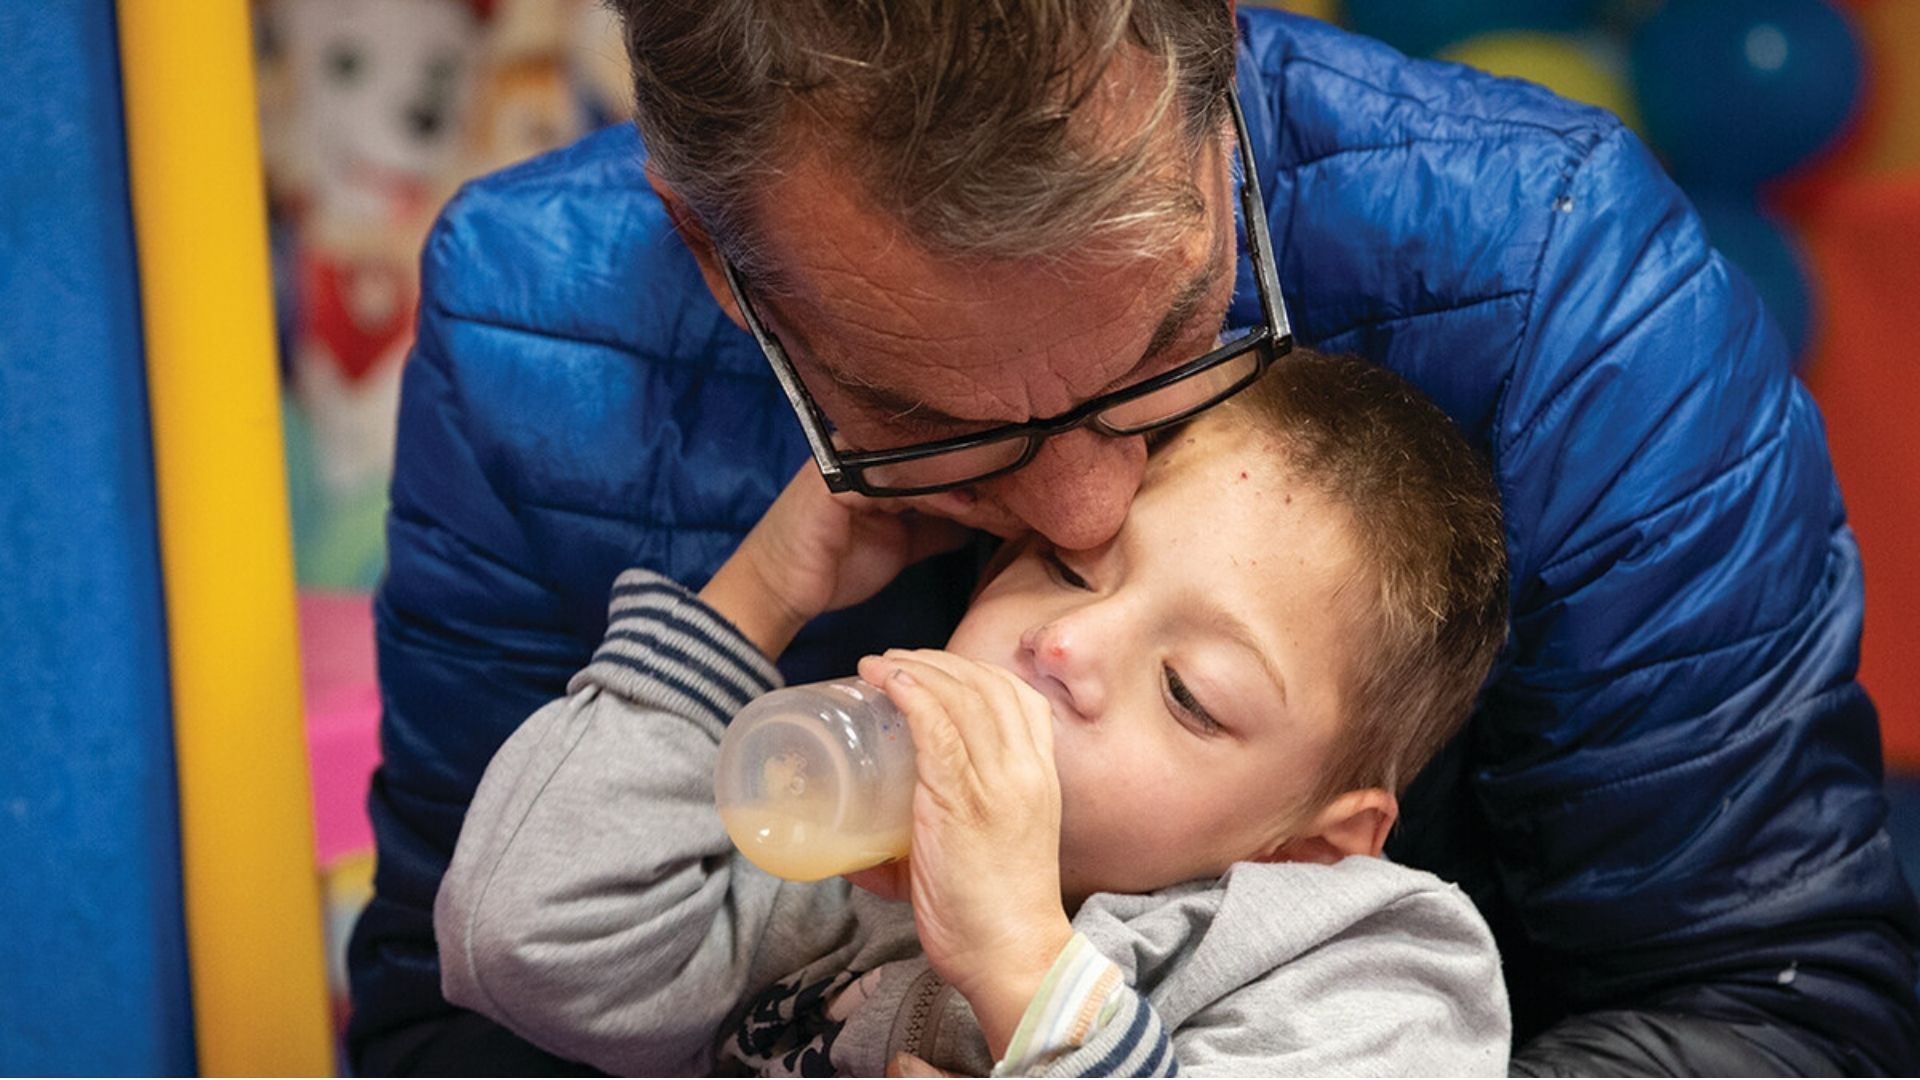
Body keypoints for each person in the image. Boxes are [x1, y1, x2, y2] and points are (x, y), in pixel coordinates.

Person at [347, 3, 1920, 1074]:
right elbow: (472, 996)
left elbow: (1779, 1012)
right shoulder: (524, 324)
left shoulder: (1563, 278)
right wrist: (744, 602)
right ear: (713, 259)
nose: (1087, 529)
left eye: (1169, 336)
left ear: (1216, 72)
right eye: (933, 412)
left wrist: (1037, 982)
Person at [434, 349, 1514, 1077]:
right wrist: (766, 590)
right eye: (1068, 568)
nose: (1065, 645)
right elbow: (525, 944)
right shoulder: (849, 867)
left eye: (1189, 693)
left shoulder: (1371, 964)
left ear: (1311, 843)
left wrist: (1019, 965)